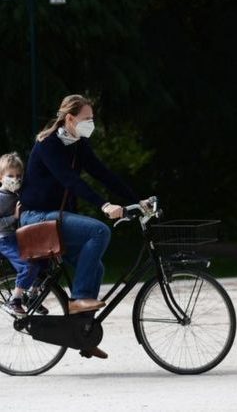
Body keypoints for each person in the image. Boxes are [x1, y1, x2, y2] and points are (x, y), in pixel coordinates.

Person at [19, 94, 144, 360]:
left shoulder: (78, 144)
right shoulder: (48, 145)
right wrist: (103, 205)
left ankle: (82, 333)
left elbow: (103, 173)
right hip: (37, 217)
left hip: (55, 217)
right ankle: (79, 301)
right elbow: (70, 180)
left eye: (93, 119)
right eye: (87, 118)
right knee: (99, 230)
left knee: (96, 266)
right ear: (70, 119)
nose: (91, 123)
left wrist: (138, 201)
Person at [0, 152, 48, 317]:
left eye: (19, 176)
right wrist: (13, 217)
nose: (15, 179)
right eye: (10, 175)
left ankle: (32, 297)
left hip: (19, 237)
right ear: (1, 177)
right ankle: (15, 299)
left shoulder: (18, 194)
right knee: (28, 266)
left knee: (43, 261)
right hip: (5, 240)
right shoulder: (1, 197)